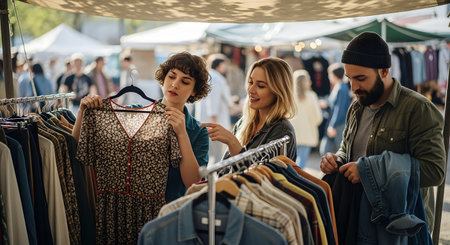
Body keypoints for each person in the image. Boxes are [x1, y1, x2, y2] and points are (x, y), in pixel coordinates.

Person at [320, 32, 445, 234]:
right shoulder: (356, 107)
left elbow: (435, 171)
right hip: (358, 219)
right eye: (350, 79)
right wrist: (337, 159)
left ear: (384, 71)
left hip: (399, 229)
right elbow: (348, 148)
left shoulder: (418, 109)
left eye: (361, 79)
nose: (354, 87)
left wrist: (370, 171)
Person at [72, 52, 211, 203]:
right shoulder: (134, 114)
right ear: (163, 78)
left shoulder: (198, 132)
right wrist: (82, 114)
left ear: (195, 90)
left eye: (185, 81)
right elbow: (77, 148)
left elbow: (193, 183)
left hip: (169, 214)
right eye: (171, 76)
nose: (175, 84)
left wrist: (182, 134)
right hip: (124, 209)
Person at [201, 57, 297, 162]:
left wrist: (232, 142)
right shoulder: (243, 123)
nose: (251, 90)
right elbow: (224, 170)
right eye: (251, 83)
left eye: (260, 86)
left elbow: (264, 176)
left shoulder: (282, 131)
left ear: (278, 91)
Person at [195, 55, 232, 163]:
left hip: (208, 118)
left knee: (210, 150)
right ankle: (214, 174)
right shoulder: (215, 77)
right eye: (224, 65)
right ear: (219, 65)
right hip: (213, 119)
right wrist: (213, 118)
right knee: (215, 151)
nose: (225, 67)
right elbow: (213, 99)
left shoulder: (209, 76)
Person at [290, 69, 322, 169]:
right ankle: (297, 180)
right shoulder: (311, 96)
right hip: (307, 133)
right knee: (301, 162)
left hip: (293, 133)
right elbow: (318, 117)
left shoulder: (289, 96)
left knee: (292, 160)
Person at [319, 63, 351, 155]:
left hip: (338, 124)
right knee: (326, 150)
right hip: (335, 123)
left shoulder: (341, 88)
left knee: (340, 151)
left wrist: (332, 126)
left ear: (334, 75)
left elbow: (339, 109)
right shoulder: (339, 87)